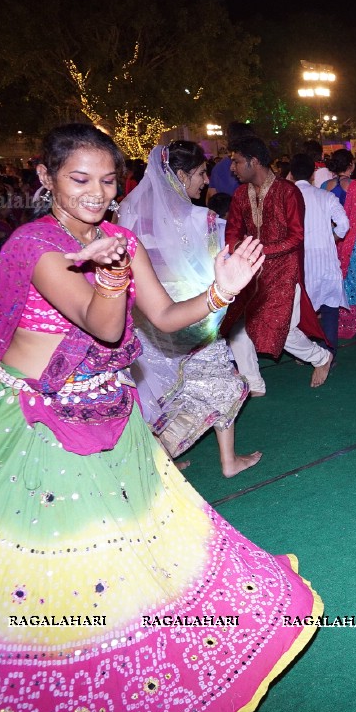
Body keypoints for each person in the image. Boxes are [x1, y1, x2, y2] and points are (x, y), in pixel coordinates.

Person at [0, 123, 319, 712]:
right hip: (42, 421)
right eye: (79, 179)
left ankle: (109, 666)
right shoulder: (36, 246)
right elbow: (104, 324)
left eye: (107, 180)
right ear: (46, 179)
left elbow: (172, 320)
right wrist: (112, 273)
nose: (96, 193)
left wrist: (220, 293)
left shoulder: (120, 239)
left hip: (111, 414)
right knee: (44, 554)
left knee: (128, 544)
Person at [117, 142, 262, 477]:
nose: (206, 179)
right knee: (220, 383)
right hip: (193, 315)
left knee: (164, 393)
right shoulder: (204, 219)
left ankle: (170, 461)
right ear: (179, 175)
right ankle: (157, 467)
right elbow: (223, 266)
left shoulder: (129, 211)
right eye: (199, 173)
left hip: (146, 320)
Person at [223, 136, 332, 392]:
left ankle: (321, 357)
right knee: (238, 325)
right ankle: (253, 382)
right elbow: (232, 232)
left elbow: (296, 237)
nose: (232, 168)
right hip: (250, 271)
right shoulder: (240, 194)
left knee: (281, 329)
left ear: (254, 161)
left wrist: (258, 250)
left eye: (237, 161)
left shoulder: (288, 192)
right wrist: (239, 249)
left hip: (284, 270)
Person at [289, 152, 349, 350]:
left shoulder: (285, 199)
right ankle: (330, 354)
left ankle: (306, 353)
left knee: (300, 309)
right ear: (313, 175)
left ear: (291, 174)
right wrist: (332, 238)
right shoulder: (326, 196)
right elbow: (344, 224)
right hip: (326, 261)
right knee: (330, 310)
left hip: (300, 261)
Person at [322, 149, 356, 340]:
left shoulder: (324, 186)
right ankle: (352, 319)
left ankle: (337, 316)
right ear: (351, 165)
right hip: (355, 238)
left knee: (338, 276)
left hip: (333, 239)